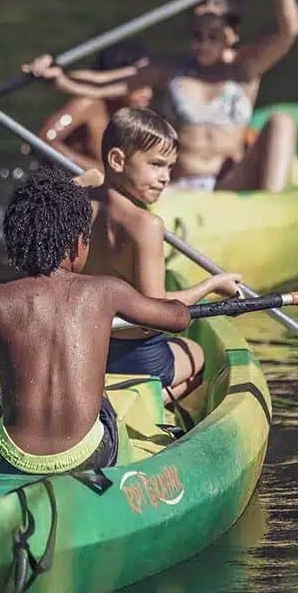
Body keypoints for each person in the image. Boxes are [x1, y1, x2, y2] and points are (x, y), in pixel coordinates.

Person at [0, 168, 191, 476]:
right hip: (89, 457)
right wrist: (183, 302)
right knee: (101, 396)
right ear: (77, 244)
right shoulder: (106, 290)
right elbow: (177, 319)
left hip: (9, 461)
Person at [26, 0, 298, 192]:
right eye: (197, 35)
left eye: (213, 36)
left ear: (232, 35)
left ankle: (272, 206)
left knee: (282, 122)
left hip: (230, 182)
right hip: (180, 187)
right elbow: (106, 83)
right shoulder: (171, 70)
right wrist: (59, 77)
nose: (203, 45)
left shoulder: (245, 69)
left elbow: (289, 31)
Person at [82, 107, 242, 401]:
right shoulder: (145, 225)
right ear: (117, 160)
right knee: (196, 354)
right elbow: (154, 313)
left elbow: (87, 180)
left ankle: (131, 394)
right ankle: (151, 398)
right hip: (137, 356)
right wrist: (212, 285)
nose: (165, 177)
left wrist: (90, 179)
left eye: (170, 167)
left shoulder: (79, 203)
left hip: (89, 347)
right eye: (156, 164)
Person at [40, 40, 153, 171]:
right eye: (139, 84)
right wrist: (97, 171)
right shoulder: (88, 104)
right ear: (114, 79)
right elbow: (45, 141)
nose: (148, 93)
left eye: (149, 83)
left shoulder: (132, 117)